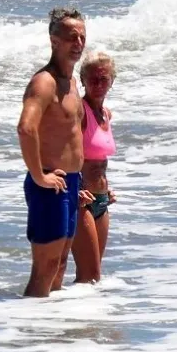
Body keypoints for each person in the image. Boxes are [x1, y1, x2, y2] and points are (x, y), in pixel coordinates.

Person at [17, 7, 93, 298]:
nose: (79, 43)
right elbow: (26, 128)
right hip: (50, 183)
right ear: (54, 41)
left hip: (70, 183)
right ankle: (24, 320)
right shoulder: (44, 82)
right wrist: (39, 176)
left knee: (60, 265)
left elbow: (70, 137)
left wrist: (79, 182)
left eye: (82, 37)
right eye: (72, 37)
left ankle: (48, 325)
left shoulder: (71, 83)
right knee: (45, 267)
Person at [72, 52, 117, 283]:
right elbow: (65, 153)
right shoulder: (79, 112)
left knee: (93, 278)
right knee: (89, 275)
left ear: (112, 81)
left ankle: (80, 309)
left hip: (101, 200)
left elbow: (99, 159)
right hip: (82, 201)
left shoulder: (106, 114)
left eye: (103, 79)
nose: (98, 85)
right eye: (92, 79)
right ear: (83, 80)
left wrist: (106, 189)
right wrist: (76, 189)